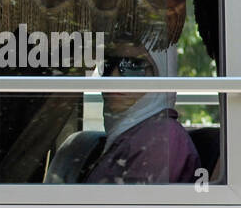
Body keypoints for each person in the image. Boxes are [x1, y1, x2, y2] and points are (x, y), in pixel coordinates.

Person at [81, 43, 200, 184]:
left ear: (161, 73)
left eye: (132, 65)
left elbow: (136, 204)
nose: (114, 77)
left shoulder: (162, 137)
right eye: (108, 64)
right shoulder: (123, 138)